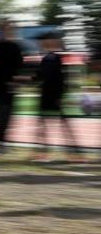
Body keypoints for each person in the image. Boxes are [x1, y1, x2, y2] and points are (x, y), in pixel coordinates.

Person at [32, 32, 79, 162]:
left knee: (58, 125)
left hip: (51, 96)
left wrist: (58, 96)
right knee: (44, 125)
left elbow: (59, 79)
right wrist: (23, 79)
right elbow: (39, 77)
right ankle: (45, 153)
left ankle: (73, 154)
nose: (39, 44)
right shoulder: (49, 58)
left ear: (48, 42)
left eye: (41, 41)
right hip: (48, 95)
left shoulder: (52, 58)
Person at [0, 19, 25, 153]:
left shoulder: (16, 46)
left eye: (11, 29)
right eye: (6, 29)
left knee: (9, 115)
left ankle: (3, 141)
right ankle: (0, 143)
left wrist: (17, 81)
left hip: (12, 85)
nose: (9, 31)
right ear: (1, 31)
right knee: (2, 113)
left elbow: (20, 65)